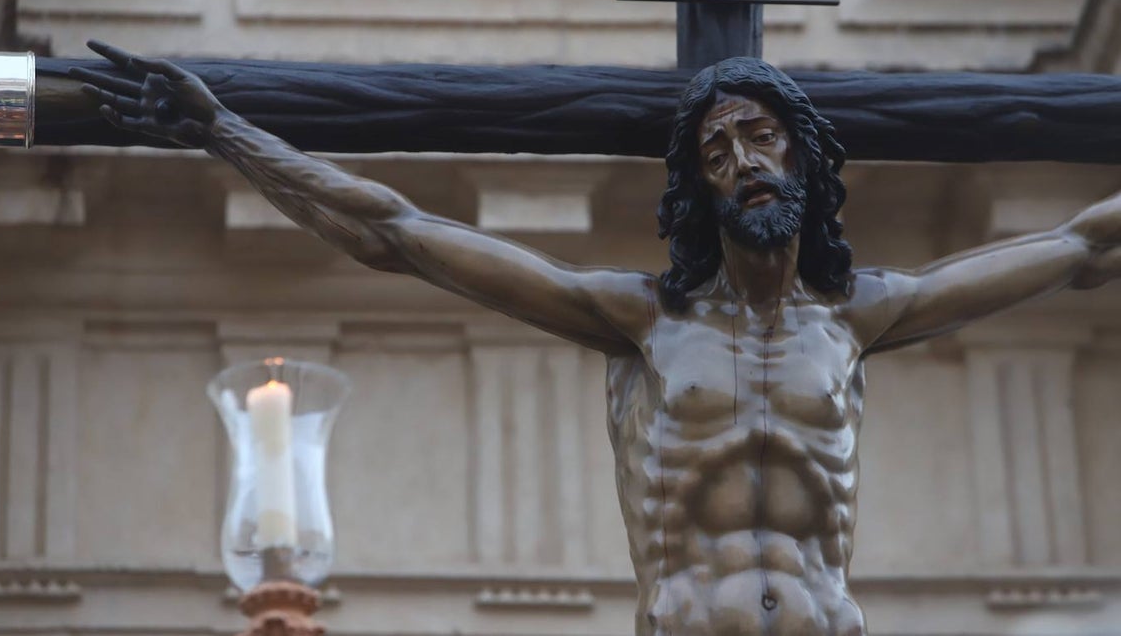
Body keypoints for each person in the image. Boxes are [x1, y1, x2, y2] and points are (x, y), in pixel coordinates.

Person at [70, 42, 1121, 636]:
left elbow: (1078, 243)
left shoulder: (859, 317)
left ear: (804, 159)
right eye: (716, 149)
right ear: (696, 189)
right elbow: (398, 231)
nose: (742, 157)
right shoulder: (644, 319)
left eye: (760, 135)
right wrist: (225, 131)